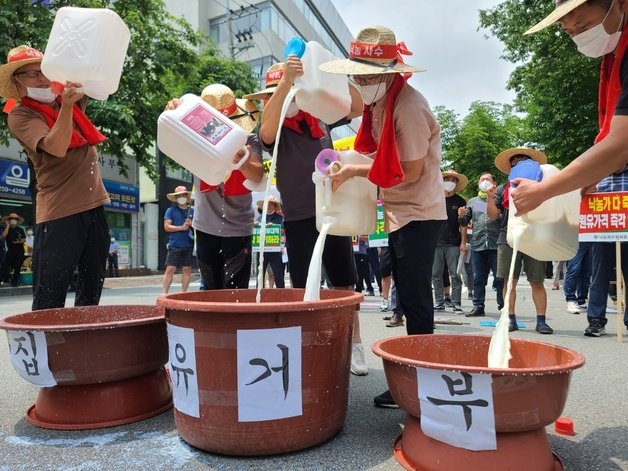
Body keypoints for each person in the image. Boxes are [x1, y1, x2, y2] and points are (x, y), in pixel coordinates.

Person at [321, 25, 447, 406]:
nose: (361, 81)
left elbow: (407, 171)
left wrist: (356, 171)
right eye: (356, 74)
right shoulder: (381, 104)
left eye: (368, 74)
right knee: (408, 297)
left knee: (414, 298)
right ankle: (415, 379)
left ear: (389, 72)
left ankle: (420, 382)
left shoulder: (407, 107)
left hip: (419, 213)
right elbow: (383, 160)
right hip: (401, 212)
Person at [247, 62, 369, 376]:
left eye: (293, 90)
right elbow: (266, 131)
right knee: (302, 286)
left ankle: (353, 345)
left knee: (344, 282)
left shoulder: (319, 115)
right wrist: (285, 86)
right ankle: (307, 344)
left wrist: (333, 78)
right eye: (277, 93)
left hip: (334, 209)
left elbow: (356, 106)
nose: (290, 97)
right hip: (299, 216)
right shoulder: (273, 124)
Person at [1, 45, 110, 309]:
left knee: (91, 290)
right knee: (50, 295)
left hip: (94, 206)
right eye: (31, 74)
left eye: (44, 71)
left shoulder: (66, 99)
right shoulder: (20, 115)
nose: (41, 78)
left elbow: (100, 81)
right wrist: (68, 106)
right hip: (60, 212)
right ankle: (47, 349)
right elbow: (57, 147)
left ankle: (83, 346)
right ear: (17, 81)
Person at [513, 0, 628, 214]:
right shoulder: (613, 58)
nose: (578, 37)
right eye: (569, 33)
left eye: (583, 26)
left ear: (621, 4)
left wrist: (542, 190)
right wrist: (594, 171)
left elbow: (621, 145)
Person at [166, 84, 264, 292]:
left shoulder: (249, 140)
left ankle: (235, 324)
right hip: (206, 225)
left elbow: (257, 176)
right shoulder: (194, 138)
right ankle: (211, 325)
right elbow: (171, 138)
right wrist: (173, 111)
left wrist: (244, 162)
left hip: (239, 226)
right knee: (210, 289)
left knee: (237, 291)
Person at [488, 148, 554, 335]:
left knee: (537, 281)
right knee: (509, 281)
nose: (519, 163)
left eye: (523, 160)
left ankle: (541, 321)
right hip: (508, 237)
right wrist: (490, 198)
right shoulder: (502, 188)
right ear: (510, 167)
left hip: (535, 236)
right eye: (515, 161)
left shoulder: (542, 185)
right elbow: (493, 216)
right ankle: (510, 318)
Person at [458, 172, 504, 316]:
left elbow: (502, 219)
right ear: (478, 183)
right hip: (478, 244)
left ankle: (503, 306)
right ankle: (478, 306)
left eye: (488, 179)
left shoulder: (500, 200)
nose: (484, 182)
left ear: (494, 183)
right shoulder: (472, 202)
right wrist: (461, 217)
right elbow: (465, 223)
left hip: (497, 244)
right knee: (479, 277)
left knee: (500, 278)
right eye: (482, 179)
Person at [432, 170, 468, 313]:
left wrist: (463, 242)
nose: (450, 182)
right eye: (447, 179)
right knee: (436, 274)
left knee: (455, 274)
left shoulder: (460, 201)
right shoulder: (434, 198)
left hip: (453, 243)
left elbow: (464, 224)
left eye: (453, 180)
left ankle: (456, 303)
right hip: (435, 243)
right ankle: (439, 302)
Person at [162, 185, 195, 294]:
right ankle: (164, 293)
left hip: (189, 245)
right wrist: (181, 227)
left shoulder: (193, 211)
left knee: (187, 270)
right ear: (176, 198)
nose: (181, 197)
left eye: (183, 195)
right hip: (175, 245)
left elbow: (201, 227)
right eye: (178, 196)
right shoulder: (170, 210)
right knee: (170, 269)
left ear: (187, 196)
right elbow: (167, 227)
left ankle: (183, 293)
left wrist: (192, 224)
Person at [256, 195, 286, 289]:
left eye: (271, 204)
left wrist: (274, 227)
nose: (269, 206)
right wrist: (256, 226)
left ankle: (281, 294)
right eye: (267, 204)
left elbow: (283, 232)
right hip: (261, 250)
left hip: (275, 250)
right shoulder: (259, 218)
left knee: (278, 274)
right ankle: (259, 293)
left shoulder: (280, 218)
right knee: (260, 274)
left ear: (275, 206)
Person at [0, 213, 26, 287]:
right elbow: (3, 236)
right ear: (9, 220)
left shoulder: (20, 229)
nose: (14, 220)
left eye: (15, 219)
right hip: (10, 250)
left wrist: (19, 241)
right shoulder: (6, 229)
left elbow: (24, 239)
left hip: (20, 250)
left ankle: (15, 282)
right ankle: (2, 279)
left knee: (18, 267)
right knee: (5, 265)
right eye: (12, 219)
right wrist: (8, 225)